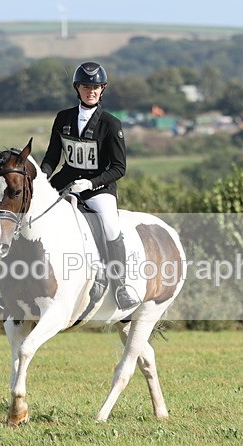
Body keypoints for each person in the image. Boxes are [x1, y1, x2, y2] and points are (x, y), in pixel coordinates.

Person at [40, 61, 139, 311]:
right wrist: (41, 178)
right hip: (66, 180)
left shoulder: (111, 124)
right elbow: (52, 157)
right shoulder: (63, 118)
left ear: (102, 89)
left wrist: (92, 182)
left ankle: (120, 285)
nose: (90, 91)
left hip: (99, 186)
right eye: (85, 86)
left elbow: (119, 168)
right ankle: (16, 282)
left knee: (110, 224)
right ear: (77, 88)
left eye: (95, 87)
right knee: (33, 213)